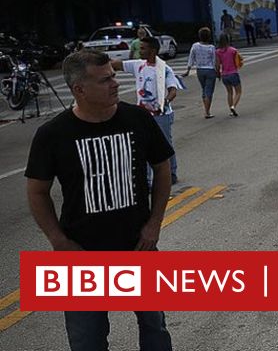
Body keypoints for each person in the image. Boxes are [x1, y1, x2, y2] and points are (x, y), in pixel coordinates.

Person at [25, 49, 174, 350]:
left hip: (138, 247)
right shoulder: (53, 134)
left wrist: (155, 223)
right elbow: (37, 191)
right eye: (105, 80)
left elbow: (162, 170)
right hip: (81, 254)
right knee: (86, 340)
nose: (115, 83)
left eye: (114, 76)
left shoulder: (137, 119)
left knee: (154, 327)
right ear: (79, 89)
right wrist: (59, 241)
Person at [113, 36, 181, 185]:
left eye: (143, 48)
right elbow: (116, 65)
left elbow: (173, 90)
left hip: (162, 115)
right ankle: (148, 181)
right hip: (143, 115)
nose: (140, 51)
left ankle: (171, 173)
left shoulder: (164, 69)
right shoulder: (138, 65)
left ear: (153, 50)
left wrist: (165, 101)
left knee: (165, 145)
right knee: (144, 146)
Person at [185, 26, 218, 118]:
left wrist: (188, 70)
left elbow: (191, 58)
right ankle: (207, 112)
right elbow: (215, 60)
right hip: (210, 70)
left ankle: (206, 109)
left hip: (200, 70)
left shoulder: (195, 46)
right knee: (209, 91)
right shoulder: (211, 47)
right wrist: (218, 71)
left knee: (204, 89)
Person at [214, 33, 242, 117]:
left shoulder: (218, 51)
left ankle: (230, 109)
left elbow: (218, 64)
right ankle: (233, 106)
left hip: (224, 75)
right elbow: (238, 60)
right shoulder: (233, 50)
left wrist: (218, 74)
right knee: (238, 92)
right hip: (233, 73)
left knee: (229, 92)